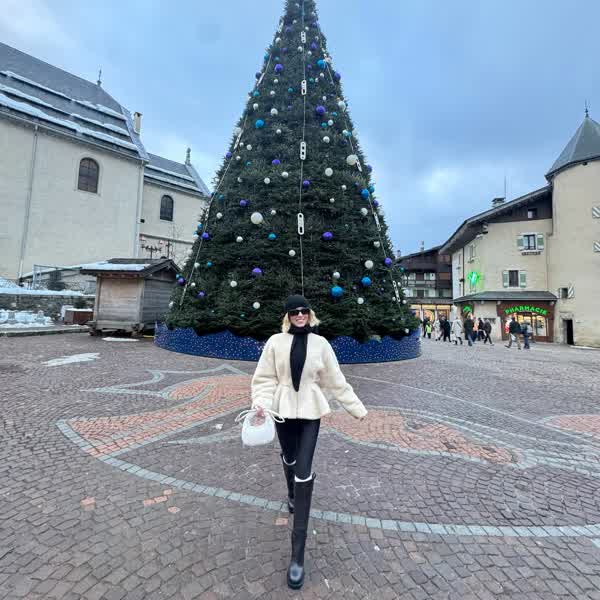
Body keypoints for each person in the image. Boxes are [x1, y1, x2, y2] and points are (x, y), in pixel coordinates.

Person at [251, 295, 367, 590]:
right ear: (288, 316)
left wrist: (356, 408)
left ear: (310, 314)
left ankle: (297, 556)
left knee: (303, 472)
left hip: (311, 413)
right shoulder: (275, 342)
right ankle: (291, 492)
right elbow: (264, 378)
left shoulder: (321, 344)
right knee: (289, 459)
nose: (300, 315)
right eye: (294, 312)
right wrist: (261, 403)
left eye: (304, 311)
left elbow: (335, 381)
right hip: (282, 411)